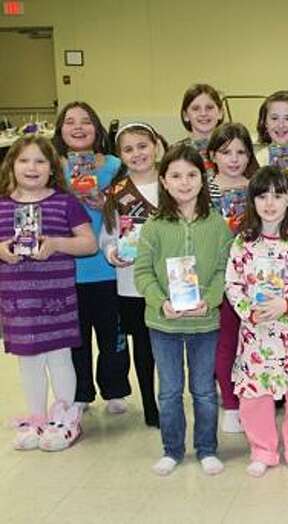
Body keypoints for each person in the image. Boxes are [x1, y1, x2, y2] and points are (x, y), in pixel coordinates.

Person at [133, 144, 233, 476]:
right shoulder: (153, 225)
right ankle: (172, 450)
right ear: (163, 181)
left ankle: (207, 448)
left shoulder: (217, 224)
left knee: (204, 390)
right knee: (170, 390)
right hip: (164, 325)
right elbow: (143, 272)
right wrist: (160, 302)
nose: (184, 182)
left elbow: (224, 270)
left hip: (205, 323)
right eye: (175, 175)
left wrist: (211, 298)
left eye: (192, 175)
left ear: (203, 181)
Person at [224, 166, 288, 477]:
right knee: (256, 397)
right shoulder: (243, 242)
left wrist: (286, 303)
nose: (270, 203)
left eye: (277, 196)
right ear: (251, 200)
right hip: (256, 334)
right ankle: (263, 450)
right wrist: (247, 311)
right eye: (262, 196)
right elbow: (232, 284)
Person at [0, 136, 96, 451]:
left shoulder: (65, 202)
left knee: (59, 356)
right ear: (11, 165)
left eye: (40, 161)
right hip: (18, 301)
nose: (32, 167)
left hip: (56, 299)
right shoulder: (2, 204)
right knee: (27, 360)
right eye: (24, 160)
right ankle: (38, 417)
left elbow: (89, 243)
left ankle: (66, 416)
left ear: (52, 169)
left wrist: (55, 244)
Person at [53, 101, 132, 414]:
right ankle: (80, 393)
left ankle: (115, 390)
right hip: (68, 268)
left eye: (85, 121)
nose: (78, 127)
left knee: (113, 335)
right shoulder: (53, 167)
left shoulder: (114, 165)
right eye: (70, 121)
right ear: (60, 130)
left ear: (97, 129)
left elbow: (130, 210)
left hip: (109, 267)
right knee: (77, 338)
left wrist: (106, 204)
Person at [100, 123, 169, 427]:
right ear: (120, 156)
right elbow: (108, 235)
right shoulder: (116, 192)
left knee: (169, 343)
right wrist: (111, 251)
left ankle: (171, 397)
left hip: (172, 279)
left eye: (143, 145)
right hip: (132, 284)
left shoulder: (173, 181)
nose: (137, 153)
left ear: (156, 145)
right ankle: (149, 405)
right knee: (142, 344)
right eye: (128, 149)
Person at [205, 122, 259, 433]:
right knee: (225, 341)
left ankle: (253, 397)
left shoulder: (256, 187)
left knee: (250, 340)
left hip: (254, 278)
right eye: (226, 152)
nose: (234, 159)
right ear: (213, 155)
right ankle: (229, 403)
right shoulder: (204, 188)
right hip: (218, 277)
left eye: (241, 152)